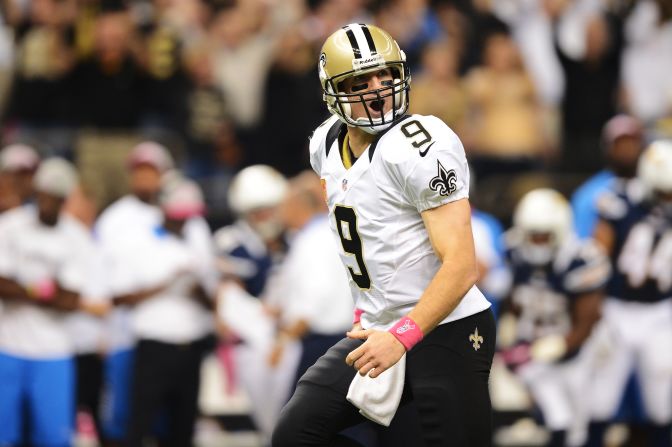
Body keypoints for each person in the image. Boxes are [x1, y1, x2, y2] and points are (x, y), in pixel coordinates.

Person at [272, 23, 495, 447]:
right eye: (361, 81)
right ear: (332, 91)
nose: (377, 89)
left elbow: (462, 265)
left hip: (446, 327)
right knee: (295, 434)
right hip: (380, 327)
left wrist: (402, 336)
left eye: (386, 76)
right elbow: (368, 234)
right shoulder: (325, 143)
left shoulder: (419, 145)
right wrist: (369, 314)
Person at [498, 188, 610, 447]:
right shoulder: (513, 250)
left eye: (543, 236)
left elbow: (587, 321)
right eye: (532, 235)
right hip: (533, 348)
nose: (537, 242)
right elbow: (512, 300)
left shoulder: (580, 259)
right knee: (557, 421)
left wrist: (560, 345)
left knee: (577, 427)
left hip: (574, 352)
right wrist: (510, 333)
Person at [0, 158, 93, 447]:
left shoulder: (76, 236)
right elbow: (2, 286)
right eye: (43, 195)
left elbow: (71, 301)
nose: (47, 203)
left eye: (54, 198)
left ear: (65, 199)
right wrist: (44, 290)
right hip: (8, 347)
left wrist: (23, 288)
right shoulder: (10, 225)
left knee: (53, 439)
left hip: (54, 352)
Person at [587, 139, 672, 447]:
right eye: (664, 191)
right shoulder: (618, 200)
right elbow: (597, 258)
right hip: (617, 310)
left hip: (661, 312)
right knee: (600, 399)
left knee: (661, 402)